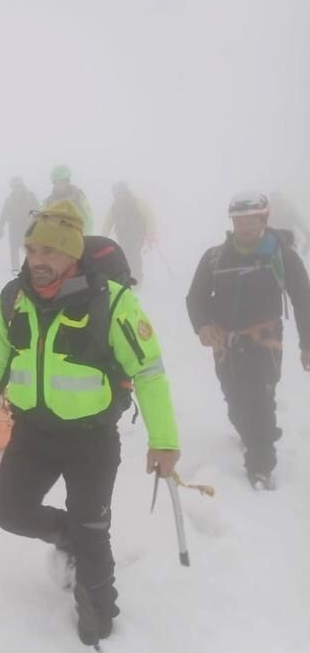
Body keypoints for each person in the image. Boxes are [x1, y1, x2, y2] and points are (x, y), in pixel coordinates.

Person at [0, 200, 181, 646]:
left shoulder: (112, 301)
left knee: (93, 533)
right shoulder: (13, 299)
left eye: (50, 251)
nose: (38, 261)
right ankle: (67, 536)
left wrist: (163, 440)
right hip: (32, 433)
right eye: (32, 250)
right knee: (9, 512)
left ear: (72, 254)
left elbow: (148, 371)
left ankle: (99, 620)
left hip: (91, 440)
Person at [185, 192, 310, 489]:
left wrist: (307, 344)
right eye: (239, 221)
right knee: (235, 399)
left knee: (260, 400)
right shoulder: (215, 257)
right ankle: (255, 434)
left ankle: (261, 465)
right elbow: (196, 297)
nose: (245, 226)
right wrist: (202, 326)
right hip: (224, 343)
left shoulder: (282, 256)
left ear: (264, 219)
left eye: (251, 220)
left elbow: (304, 300)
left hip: (264, 342)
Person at [102, 182, 156, 284]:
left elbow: (149, 216)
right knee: (126, 256)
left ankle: (137, 279)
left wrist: (151, 232)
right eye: (118, 194)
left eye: (121, 193)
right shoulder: (115, 206)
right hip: (123, 236)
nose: (120, 196)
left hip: (137, 234)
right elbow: (107, 223)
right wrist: (103, 237)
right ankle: (129, 279)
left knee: (134, 255)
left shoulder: (136, 202)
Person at [0, 176, 39, 269]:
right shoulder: (9, 200)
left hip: (28, 228)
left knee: (29, 250)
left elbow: (37, 211)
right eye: (14, 187)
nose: (16, 189)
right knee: (14, 250)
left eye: (18, 186)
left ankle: (32, 268)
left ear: (22, 186)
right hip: (14, 229)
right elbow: (3, 215)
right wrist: (1, 228)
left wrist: (37, 225)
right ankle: (16, 270)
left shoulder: (30, 197)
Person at [44, 165, 94, 234]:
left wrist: (88, 236)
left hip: (78, 236)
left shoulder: (78, 196)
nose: (58, 185)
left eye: (62, 182)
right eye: (56, 182)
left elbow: (88, 218)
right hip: (56, 238)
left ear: (68, 182)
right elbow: (42, 220)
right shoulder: (48, 201)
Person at [268, 190, 310, 255]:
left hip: (287, 241)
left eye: (277, 196)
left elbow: (301, 222)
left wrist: (307, 235)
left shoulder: (288, 208)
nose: (275, 199)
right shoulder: (268, 208)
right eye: (273, 196)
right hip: (272, 242)